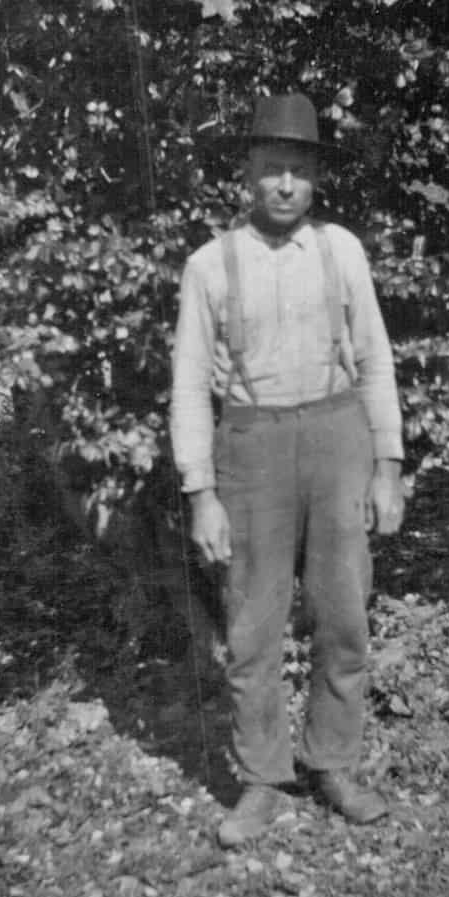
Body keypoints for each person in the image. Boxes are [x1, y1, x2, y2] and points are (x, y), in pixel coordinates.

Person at [170, 92, 406, 848]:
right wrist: (200, 492)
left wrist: (387, 466)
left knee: (344, 615)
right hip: (252, 448)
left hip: (338, 438)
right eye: (271, 169)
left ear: (314, 179)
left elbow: (375, 361)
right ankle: (262, 778)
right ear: (246, 174)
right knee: (253, 624)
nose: (284, 186)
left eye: (298, 172)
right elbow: (187, 387)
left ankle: (332, 762)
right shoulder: (209, 266)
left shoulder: (342, 251)